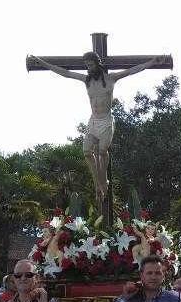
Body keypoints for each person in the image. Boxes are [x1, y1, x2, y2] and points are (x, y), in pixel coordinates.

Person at [28, 53, 165, 203]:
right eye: (87, 66)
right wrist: (42, 62)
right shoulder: (86, 80)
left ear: (98, 64)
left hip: (106, 121)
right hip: (93, 121)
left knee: (101, 151)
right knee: (87, 151)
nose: (89, 68)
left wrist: (152, 62)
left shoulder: (111, 78)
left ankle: (103, 181)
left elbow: (133, 70)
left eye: (91, 65)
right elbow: (64, 73)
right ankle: (98, 183)